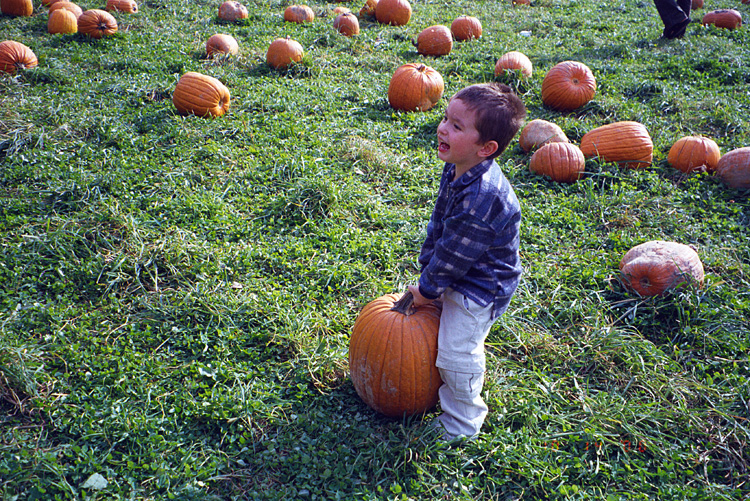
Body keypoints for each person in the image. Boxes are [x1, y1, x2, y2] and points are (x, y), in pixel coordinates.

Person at [407, 82, 526, 442]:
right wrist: (429, 271)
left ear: (486, 148)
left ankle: (462, 422)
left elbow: (454, 257)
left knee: (457, 352)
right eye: (446, 118)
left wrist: (428, 289)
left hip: (480, 285)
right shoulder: (459, 165)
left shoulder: (481, 199)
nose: (443, 128)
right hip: (459, 268)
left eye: (457, 127)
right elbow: (443, 225)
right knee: (439, 336)